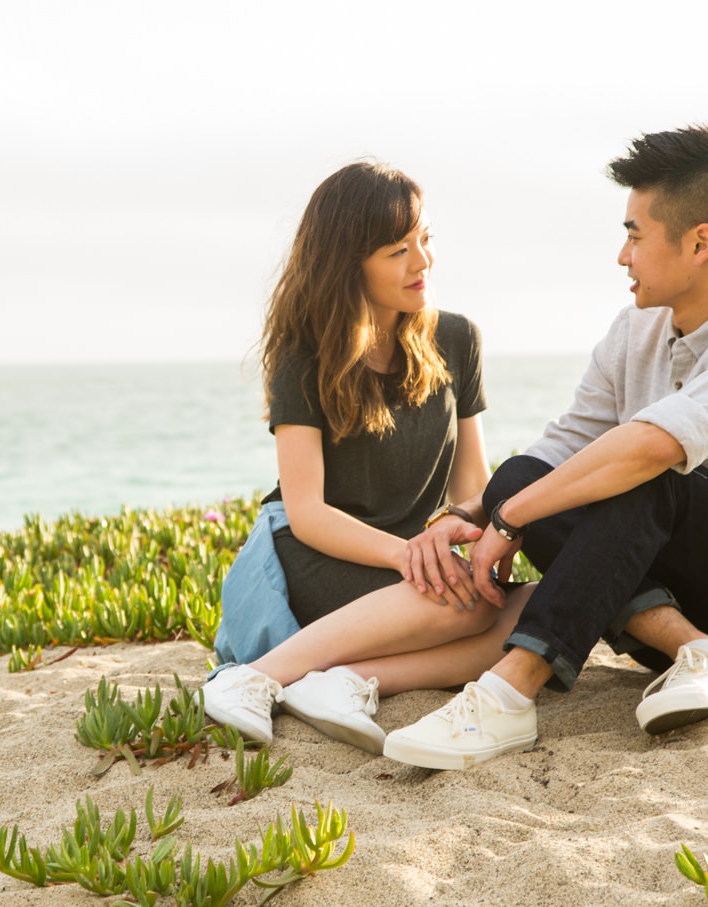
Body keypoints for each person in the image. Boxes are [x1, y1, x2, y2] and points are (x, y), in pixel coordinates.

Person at [381, 126, 708, 770]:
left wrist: (514, 520)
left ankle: (510, 691)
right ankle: (700, 654)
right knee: (519, 477)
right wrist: (477, 512)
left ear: (701, 241)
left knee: (648, 470)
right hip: (688, 606)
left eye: (635, 235)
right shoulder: (634, 328)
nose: (622, 256)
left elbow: (648, 448)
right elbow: (567, 443)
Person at [203, 161, 533, 753]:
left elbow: (473, 482)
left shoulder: (458, 339)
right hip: (320, 553)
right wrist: (412, 556)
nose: (422, 262)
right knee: (463, 609)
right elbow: (306, 512)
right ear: (347, 262)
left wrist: (477, 542)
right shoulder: (304, 357)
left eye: (425, 241)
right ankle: (252, 680)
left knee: (531, 610)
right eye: (397, 250)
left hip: (410, 563)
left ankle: (345, 679)